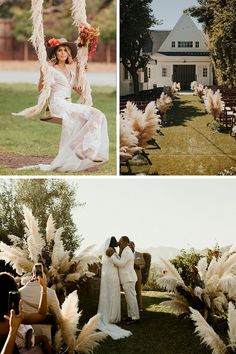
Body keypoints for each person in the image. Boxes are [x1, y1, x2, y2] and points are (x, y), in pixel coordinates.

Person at [18, 37, 109, 172]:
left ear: (68, 54)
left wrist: (80, 70)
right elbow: (41, 89)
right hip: (58, 103)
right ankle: (86, 149)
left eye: (65, 51)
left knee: (97, 115)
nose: (62, 53)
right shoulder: (50, 69)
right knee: (95, 114)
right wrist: (43, 75)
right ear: (55, 53)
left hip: (69, 103)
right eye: (59, 50)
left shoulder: (70, 72)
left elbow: (80, 91)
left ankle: (80, 147)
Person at [0, 272, 47, 353]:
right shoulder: (13, 318)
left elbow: (41, 315)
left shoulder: (14, 316)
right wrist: (13, 329)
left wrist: (43, 288)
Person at [96, 237, 132, 340]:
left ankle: (112, 316)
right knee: (113, 294)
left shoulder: (112, 250)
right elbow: (116, 262)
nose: (118, 242)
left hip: (111, 274)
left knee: (111, 294)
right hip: (112, 275)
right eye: (116, 240)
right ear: (112, 242)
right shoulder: (110, 250)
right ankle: (112, 317)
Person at [107, 236, 140, 324]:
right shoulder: (125, 250)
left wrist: (112, 256)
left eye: (120, 242)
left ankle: (135, 318)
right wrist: (115, 255)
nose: (119, 243)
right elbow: (121, 260)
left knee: (131, 299)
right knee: (129, 299)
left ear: (125, 242)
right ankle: (131, 316)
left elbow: (121, 264)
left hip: (128, 278)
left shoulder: (127, 251)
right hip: (127, 278)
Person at [129, 241, 145, 311]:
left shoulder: (139, 254)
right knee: (131, 293)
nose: (130, 246)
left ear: (134, 245)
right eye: (129, 245)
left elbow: (143, 264)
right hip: (129, 275)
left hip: (137, 275)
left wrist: (139, 267)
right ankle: (132, 308)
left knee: (138, 291)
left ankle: (140, 307)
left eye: (131, 245)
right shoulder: (126, 254)